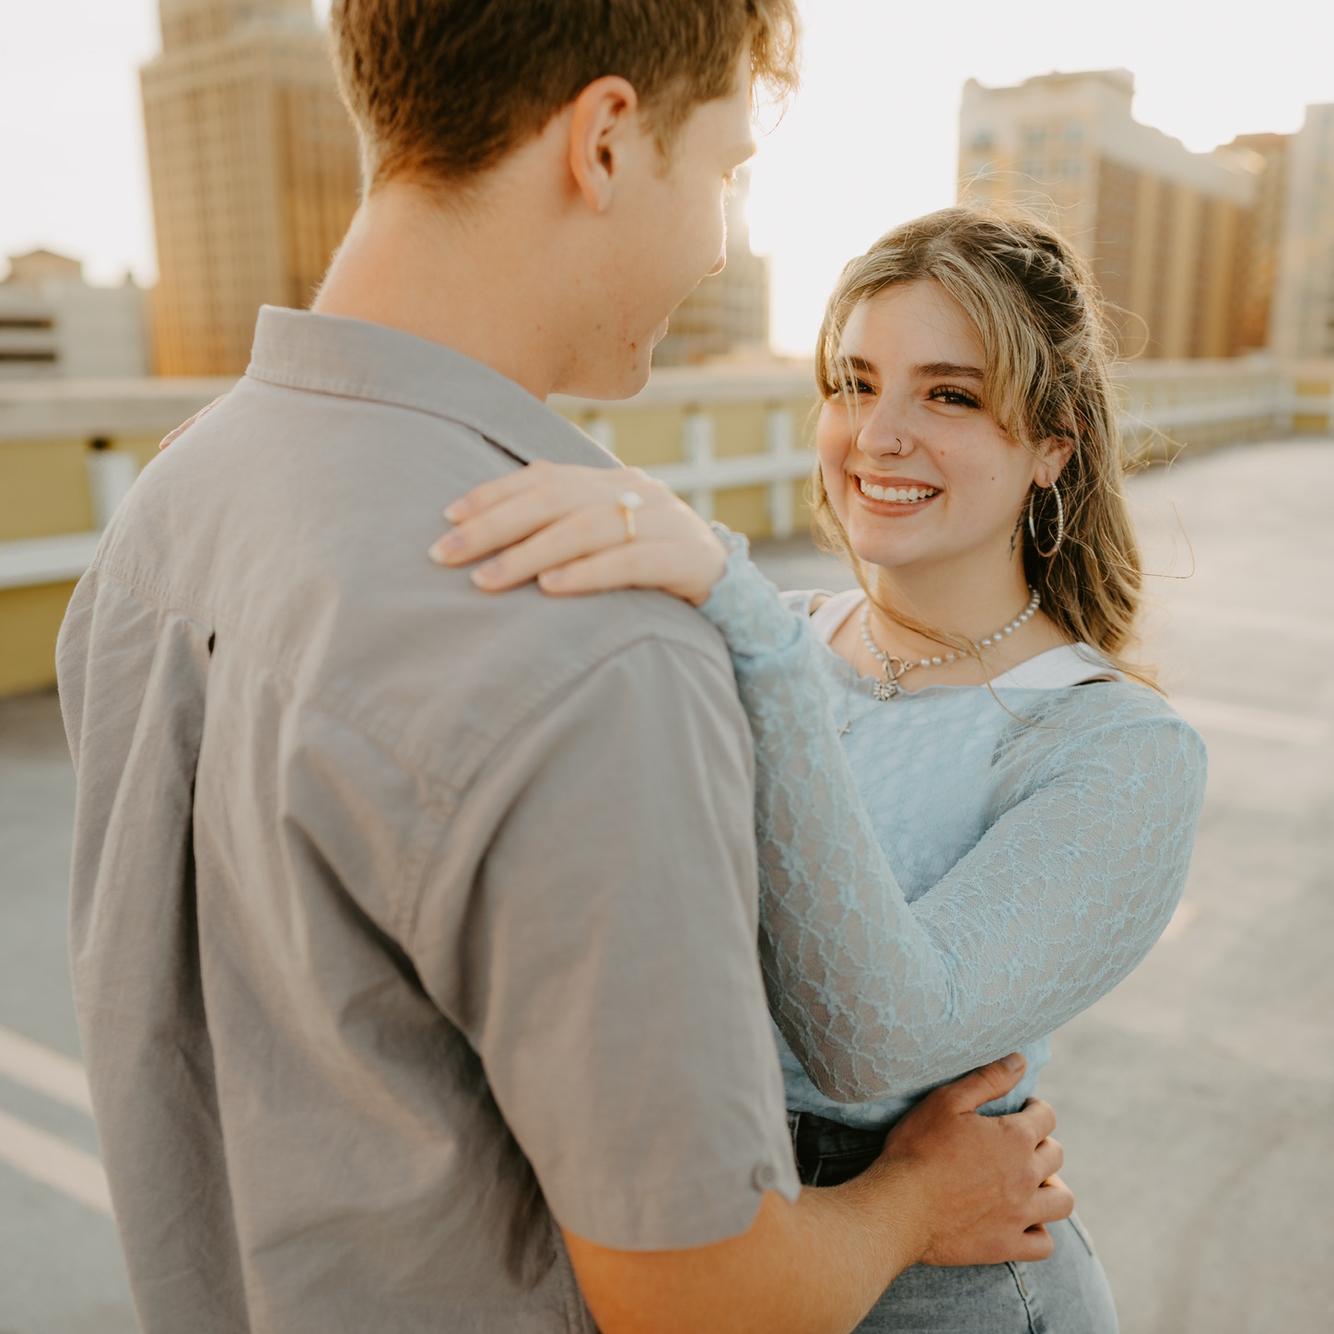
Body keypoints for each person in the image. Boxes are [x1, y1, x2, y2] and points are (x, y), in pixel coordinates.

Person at [57, 8, 1074, 1334]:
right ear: (602, 140)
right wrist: (919, 1197)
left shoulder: (174, 505)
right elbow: (707, 1295)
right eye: (720, 168)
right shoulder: (594, 632)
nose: (716, 238)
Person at [426, 205, 1210, 1331]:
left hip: (949, 1293)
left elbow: (874, 1033)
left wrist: (748, 632)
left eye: (947, 393)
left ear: (1054, 441)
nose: (877, 434)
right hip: (683, 1242)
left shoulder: (1116, 751)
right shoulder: (763, 636)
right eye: (851, 383)